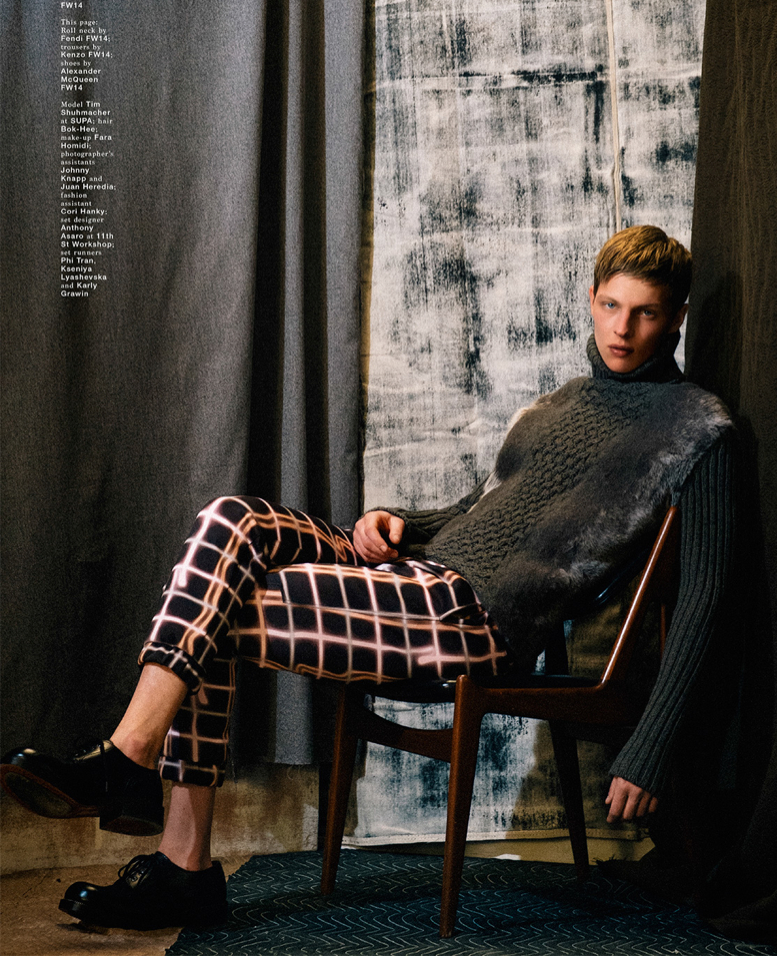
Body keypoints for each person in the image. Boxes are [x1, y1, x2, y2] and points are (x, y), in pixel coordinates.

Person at [0, 225, 737, 932]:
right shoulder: (557, 405)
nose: (622, 328)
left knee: (213, 605)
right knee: (229, 521)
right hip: (419, 576)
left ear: (675, 318)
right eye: (611, 305)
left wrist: (649, 746)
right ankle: (147, 796)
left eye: (645, 313)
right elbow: (476, 513)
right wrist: (400, 523)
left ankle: (157, 822)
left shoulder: (695, 428)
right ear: (591, 299)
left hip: (472, 618)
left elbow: (705, 599)